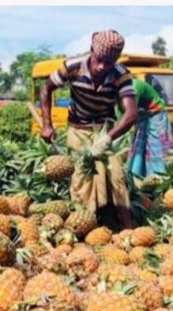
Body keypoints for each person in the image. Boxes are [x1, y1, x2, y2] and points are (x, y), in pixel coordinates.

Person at [39, 30, 138, 229]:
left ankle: (128, 227)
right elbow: (46, 88)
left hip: (105, 128)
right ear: (92, 50)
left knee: (115, 176)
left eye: (108, 63)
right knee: (82, 178)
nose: (102, 67)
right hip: (78, 128)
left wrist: (107, 139)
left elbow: (130, 114)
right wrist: (47, 124)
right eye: (99, 60)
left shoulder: (121, 74)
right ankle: (82, 225)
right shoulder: (72, 66)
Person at [116, 78, 171, 179]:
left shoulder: (133, 87)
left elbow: (129, 114)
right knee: (138, 150)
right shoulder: (116, 92)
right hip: (142, 117)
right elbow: (118, 113)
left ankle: (158, 179)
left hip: (156, 115)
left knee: (156, 151)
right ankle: (136, 179)